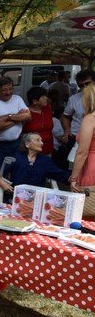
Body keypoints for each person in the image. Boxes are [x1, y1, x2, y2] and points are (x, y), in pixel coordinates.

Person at [0, 133, 70, 197]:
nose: (42, 143)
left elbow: (59, 174)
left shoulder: (45, 160)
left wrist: (72, 179)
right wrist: (2, 183)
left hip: (37, 198)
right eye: (38, 140)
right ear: (27, 144)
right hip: (16, 196)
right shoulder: (16, 157)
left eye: (41, 141)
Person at [0, 77, 31, 179]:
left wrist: (8, 117)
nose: (8, 92)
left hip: (16, 144)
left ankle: (11, 190)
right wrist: (18, 118)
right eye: (4, 90)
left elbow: (28, 116)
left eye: (10, 89)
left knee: (16, 172)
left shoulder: (17, 99)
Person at [70, 83, 95, 218]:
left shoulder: (90, 119)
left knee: (87, 211)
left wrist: (73, 178)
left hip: (91, 167)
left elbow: (82, 152)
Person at [22, 87, 53, 156]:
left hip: (48, 149)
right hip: (32, 151)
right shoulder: (25, 113)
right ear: (34, 101)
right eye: (43, 97)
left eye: (45, 96)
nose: (46, 98)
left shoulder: (47, 108)